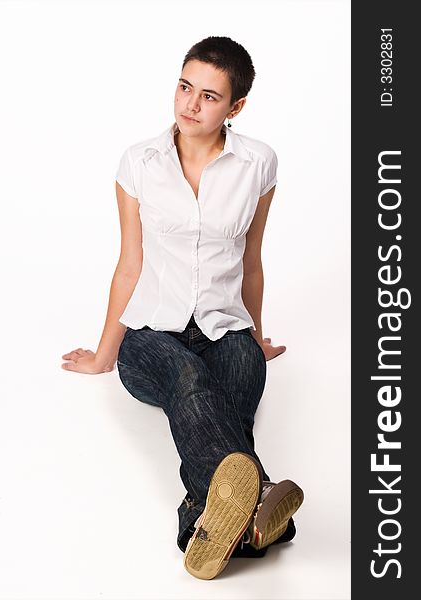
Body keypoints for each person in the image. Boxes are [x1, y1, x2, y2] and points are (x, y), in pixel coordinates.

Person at [61, 36, 303, 580]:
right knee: (191, 382)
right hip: (151, 336)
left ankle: (205, 521)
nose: (190, 105)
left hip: (226, 326)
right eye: (185, 86)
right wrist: (104, 354)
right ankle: (264, 508)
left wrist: (257, 336)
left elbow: (251, 260)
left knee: (236, 397)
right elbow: (129, 263)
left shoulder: (258, 164)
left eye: (209, 96)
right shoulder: (139, 162)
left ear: (235, 108)